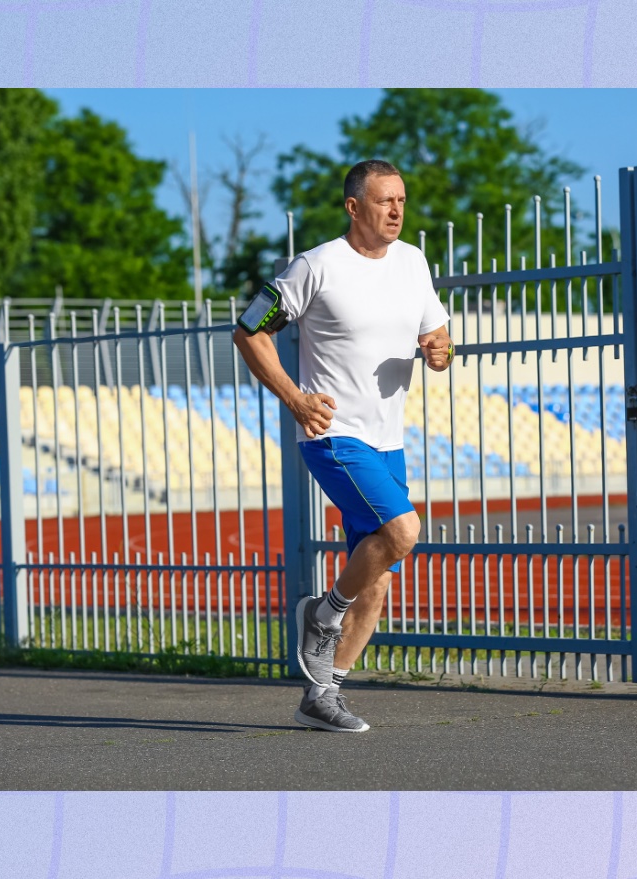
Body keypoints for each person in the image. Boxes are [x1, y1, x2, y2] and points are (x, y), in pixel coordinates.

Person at [233, 159, 454, 732]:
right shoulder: (317, 266)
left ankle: (322, 696)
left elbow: (437, 334)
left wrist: (439, 350)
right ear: (354, 207)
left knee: (377, 578)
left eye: (402, 200)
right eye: (384, 201)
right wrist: (295, 398)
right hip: (334, 435)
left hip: (388, 440)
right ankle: (322, 613)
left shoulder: (412, 262)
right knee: (403, 532)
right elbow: (249, 330)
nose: (397, 211)